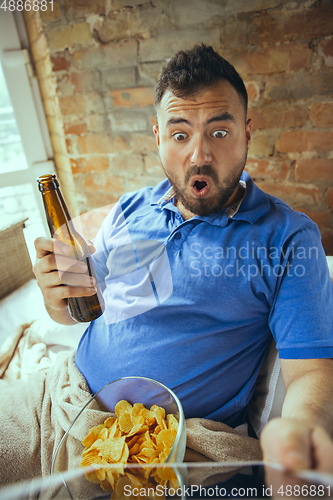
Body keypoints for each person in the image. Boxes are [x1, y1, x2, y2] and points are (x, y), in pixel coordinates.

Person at [15, 44, 333, 478]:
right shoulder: (129, 209)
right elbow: (83, 305)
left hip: (175, 444)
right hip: (62, 396)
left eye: (219, 132)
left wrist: (301, 433)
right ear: (159, 138)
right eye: (180, 134)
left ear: (247, 132)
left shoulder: (289, 237)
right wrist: (57, 298)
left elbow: (311, 371)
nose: (199, 155)